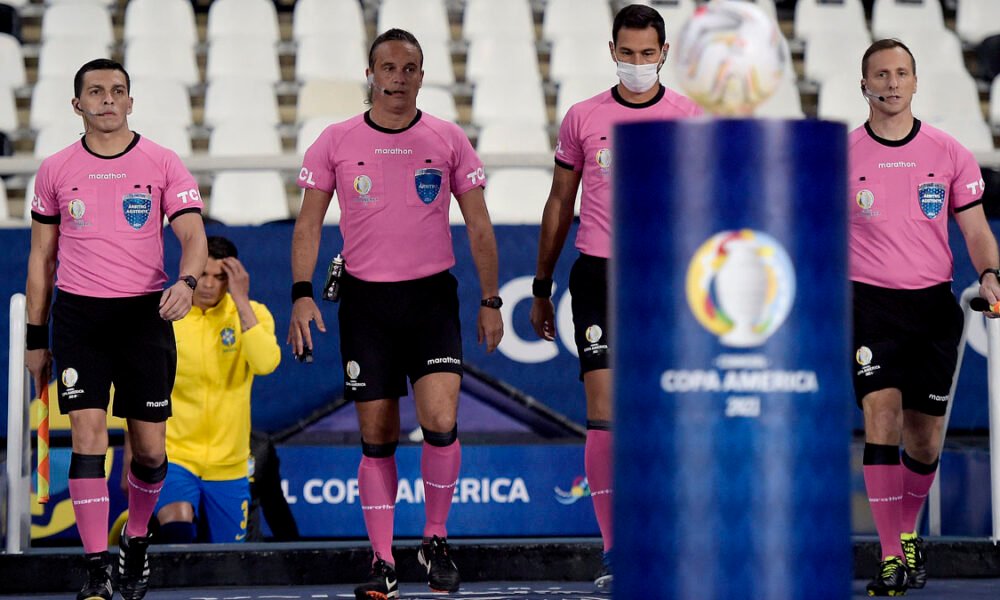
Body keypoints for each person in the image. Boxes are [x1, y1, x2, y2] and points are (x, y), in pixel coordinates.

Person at [288, 28, 504, 599]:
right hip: (367, 306)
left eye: (409, 68)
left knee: (439, 422)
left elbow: (480, 225)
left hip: (431, 300)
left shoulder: (447, 137)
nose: (398, 78)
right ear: (371, 72)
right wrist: (300, 293)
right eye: (388, 67)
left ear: (422, 76)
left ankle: (434, 540)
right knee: (378, 437)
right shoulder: (333, 140)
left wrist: (490, 300)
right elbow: (308, 224)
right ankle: (382, 560)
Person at [528, 4, 702, 590]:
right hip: (598, 275)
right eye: (626, 54)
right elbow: (559, 203)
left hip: (664, 281)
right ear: (612, 52)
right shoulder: (582, 117)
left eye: (646, 54)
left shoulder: (688, 116)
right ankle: (613, 550)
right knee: (603, 415)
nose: (636, 64)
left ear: (664, 54)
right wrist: (541, 283)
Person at [24, 58, 207, 600]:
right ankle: (97, 567)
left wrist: (188, 281)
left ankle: (134, 538)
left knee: (148, 452)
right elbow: (40, 259)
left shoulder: (162, 161)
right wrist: (37, 339)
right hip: (80, 317)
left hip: (143, 318)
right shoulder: (55, 169)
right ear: (77, 104)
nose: (108, 99)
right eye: (96, 92)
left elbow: (194, 235)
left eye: (118, 91)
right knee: (88, 436)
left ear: (131, 101)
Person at [850, 39, 999, 596]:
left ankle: (905, 533)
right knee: (881, 418)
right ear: (862, 85)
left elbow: (977, 230)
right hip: (868, 305)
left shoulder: (949, 152)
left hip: (933, 308)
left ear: (915, 83)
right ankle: (891, 555)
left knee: (925, 443)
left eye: (901, 74)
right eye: (880, 75)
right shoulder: (843, 156)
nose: (891, 84)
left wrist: (990, 274)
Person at [123, 236, 281, 544]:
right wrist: (133, 456)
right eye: (203, 274)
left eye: (220, 277)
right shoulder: (166, 314)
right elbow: (135, 386)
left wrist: (242, 301)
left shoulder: (253, 314)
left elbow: (265, 363)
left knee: (227, 562)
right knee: (177, 526)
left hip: (230, 463)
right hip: (176, 454)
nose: (209, 284)